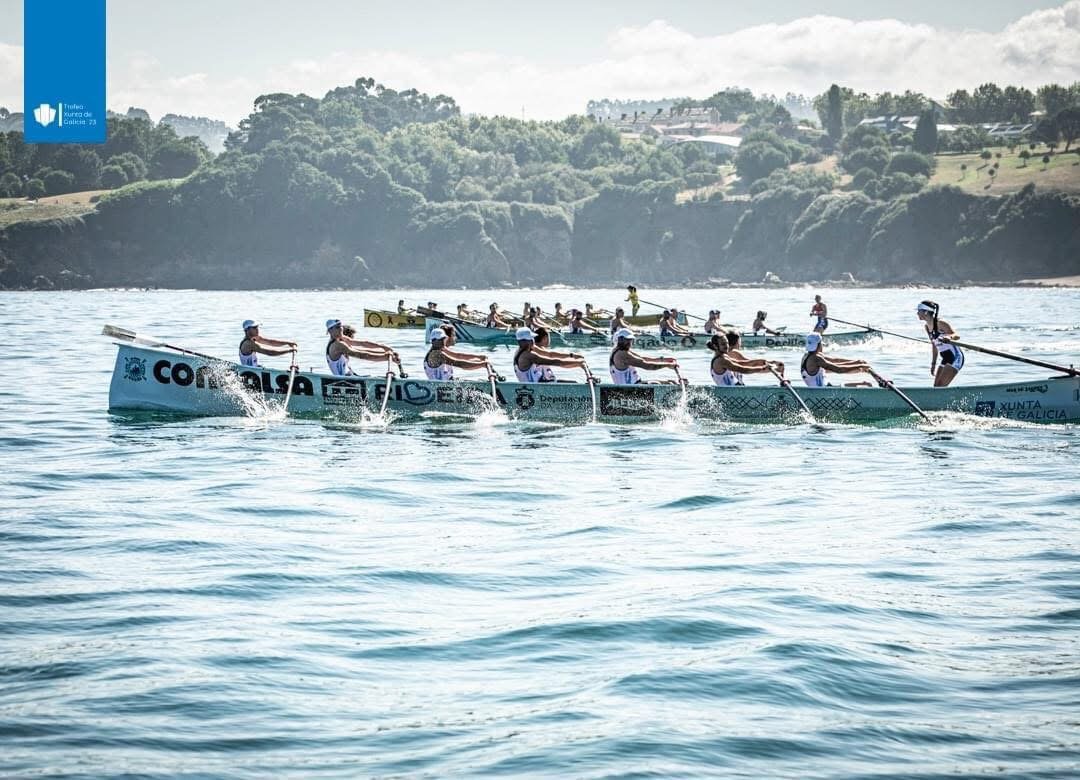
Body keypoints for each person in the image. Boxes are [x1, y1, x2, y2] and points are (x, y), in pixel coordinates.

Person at [801, 333, 881, 388]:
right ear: (819, 344)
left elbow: (836, 361)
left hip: (826, 388)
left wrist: (857, 362)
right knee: (867, 385)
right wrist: (860, 366)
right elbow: (838, 369)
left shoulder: (809, 355)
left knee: (866, 384)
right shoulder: (816, 359)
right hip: (823, 392)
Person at [325, 319, 398, 376]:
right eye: (337, 327)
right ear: (330, 331)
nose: (341, 329)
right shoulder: (337, 345)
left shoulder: (342, 338)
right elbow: (360, 354)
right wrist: (385, 357)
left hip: (350, 376)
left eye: (341, 326)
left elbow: (362, 343)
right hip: (344, 380)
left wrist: (383, 347)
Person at [917, 300, 964, 387]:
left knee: (941, 386)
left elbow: (956, 335)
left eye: (919, 311)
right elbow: (934, 346)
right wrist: (933, 364)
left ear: (926, 312)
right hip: (945, 358)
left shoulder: (940, 323)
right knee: (936, 387)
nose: (917, 313)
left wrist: (949, 337)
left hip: (955, 357)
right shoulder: (927, 327)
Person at [513, 327, 586, 383]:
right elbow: (555, 362)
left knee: (572, 383)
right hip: (538, 388)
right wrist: (579, 363)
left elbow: (549, 354)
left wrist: (572, 355)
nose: (533, 340)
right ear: (526, 341)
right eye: (531, 338)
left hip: (538, 385)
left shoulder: (523, 349)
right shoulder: (529, 355)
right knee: (573, 384)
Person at [708, 334, 784, 387]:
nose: (726, 346)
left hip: (736, 390)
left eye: (727, 343)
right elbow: (742, 369)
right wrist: (762, 368)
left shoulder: (724, 356)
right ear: (715, 346)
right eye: (723, 344)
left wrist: (762, 362)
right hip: (733, 393)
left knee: (773, 386)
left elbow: (743, 363)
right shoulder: (720, 361)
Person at [609, 328, 679, 384]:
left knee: (670, 382)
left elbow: (642, 359)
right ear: (620, 340)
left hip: (634, 385)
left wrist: (663, 360)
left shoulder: (621, 350)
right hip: (630, 390)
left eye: (630, 340)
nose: (629, 343)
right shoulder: (622, 355)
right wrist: (668, 365)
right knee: (668, 383)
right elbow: (646, 365)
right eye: (627, 340)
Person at [424, 328, 492, 380]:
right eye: (440, 339)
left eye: (443, 339)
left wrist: (480, 358)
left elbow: (458, 356)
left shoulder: (440, 349)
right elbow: (459, 364)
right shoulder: (436, 355)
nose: (443, 341)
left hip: (447, 383)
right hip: (442, 386)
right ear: (433, 341)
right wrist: (482, 364)